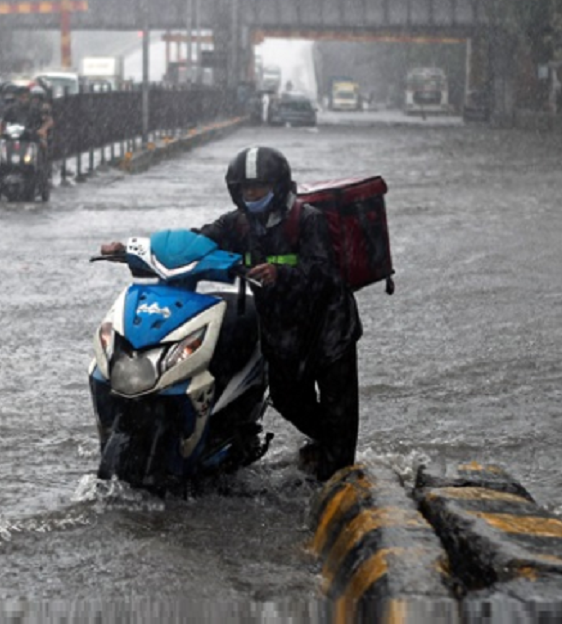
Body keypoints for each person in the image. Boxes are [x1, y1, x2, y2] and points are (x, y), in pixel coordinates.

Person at [98, 146, 363, 481]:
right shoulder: (237, 224)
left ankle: (339, 470)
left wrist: (282, 274)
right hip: (283, 324)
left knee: (340, 409)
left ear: (278, 186)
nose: (251, 194)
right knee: (286, 396)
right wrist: (131, 251)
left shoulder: (308, 220)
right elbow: (193, 244)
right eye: (245, 188)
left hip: (328, 326)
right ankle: (325, 443)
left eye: (259, 187)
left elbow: (325, 272)